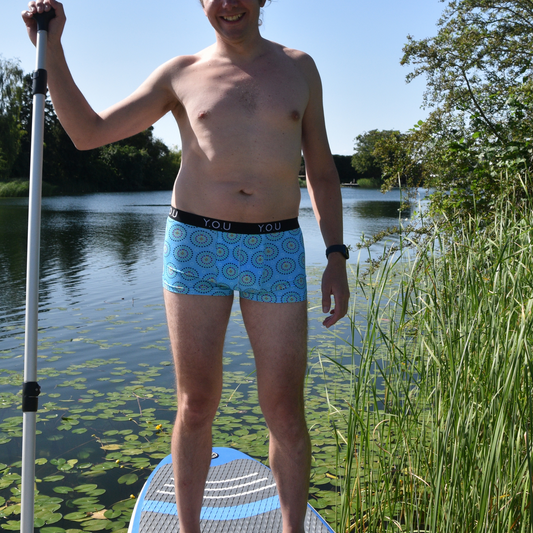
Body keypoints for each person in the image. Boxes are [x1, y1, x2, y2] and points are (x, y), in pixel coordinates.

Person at [22, 1, 350, 532]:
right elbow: (87, 132)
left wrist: (336, 254)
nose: (229, 4)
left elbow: (321, 168)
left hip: (276, 249)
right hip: (197, 247)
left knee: (286, 414)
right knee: (196, 404)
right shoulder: (180, 74)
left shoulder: (299, 68)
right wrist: (53, 49)